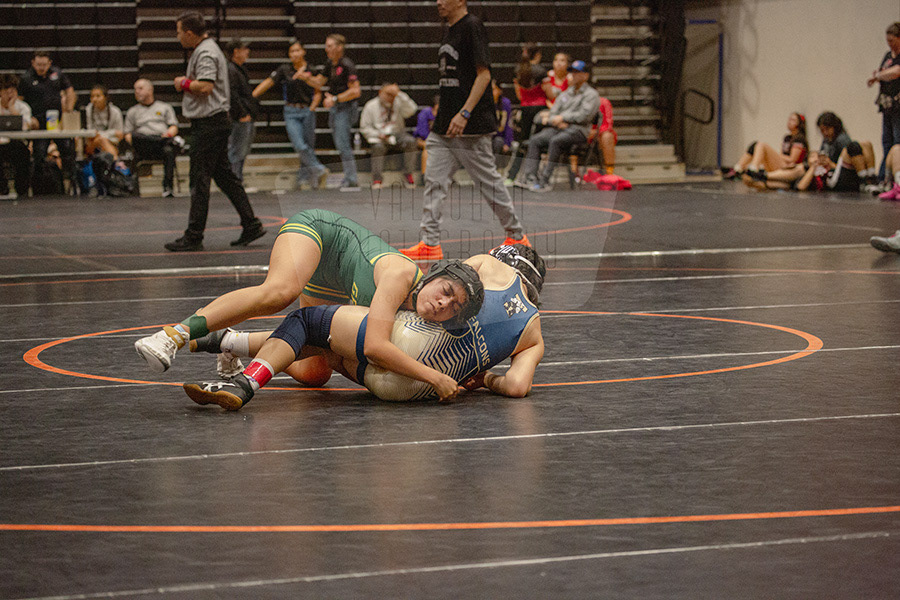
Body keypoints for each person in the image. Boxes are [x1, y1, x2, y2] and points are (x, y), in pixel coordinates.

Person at [135, 209, 481, 396]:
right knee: (280, 292)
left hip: (330, 282)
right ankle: (172, 335)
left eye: (454, 307)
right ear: (432, 276)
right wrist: (434, 378)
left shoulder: (419, 315)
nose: (443, 304)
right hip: (319, 234)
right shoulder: (400, 275)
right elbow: (374, 347)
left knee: (314, 372)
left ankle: (227, 341)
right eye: (445, 291)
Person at [182, 243, 544, 409]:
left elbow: (444, 282)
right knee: (328, 348)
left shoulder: (490, 264)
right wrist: (487, 378)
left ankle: (244, 383)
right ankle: (225, 340)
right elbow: (516, 387)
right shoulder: (533, 331)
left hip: (408, 344)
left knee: (308, 321)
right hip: (408, 393)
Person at [399, 0, 528, 261]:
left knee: (488, 182)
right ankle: (430, 243)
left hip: (471, 124)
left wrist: (465, 113)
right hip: (445, 125)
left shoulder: (472, 26)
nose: (438, 1)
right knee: (434, 182)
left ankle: (516, 235)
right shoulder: (449, 29)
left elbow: (484, 75)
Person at [169, 11, 264, 252]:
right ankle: (251, 223)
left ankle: (194, 235)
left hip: (209, 124)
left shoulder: (206, 52)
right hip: (215, 122)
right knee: (224, 177)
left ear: (189, 33)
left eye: (179, 32)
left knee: (199, 178)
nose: (177, 37)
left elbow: (206, 86)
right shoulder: (207, 49)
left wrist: (183, 83)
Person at [252, 40, 328, 190]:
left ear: (303, 52)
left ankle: (305, 179)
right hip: (291, 111)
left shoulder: (311, 69)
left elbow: (318, 90)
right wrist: (252, 95)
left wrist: (312, 107)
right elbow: (269, 82)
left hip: (307, 110)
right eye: (292, 51)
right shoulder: (285, 69)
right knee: (299, 145)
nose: (295, 54)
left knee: (308, 147)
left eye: (297, 50)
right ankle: (319, 169)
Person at [517, 59, 600, 193]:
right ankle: (530, 178)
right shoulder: (565, 93)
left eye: (577, 72)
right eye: (572, 72)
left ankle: (544, 180)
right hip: (559, 128)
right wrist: (557, 120)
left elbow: (584, 116)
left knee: (556, 141)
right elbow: (553, 112)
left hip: (578, 131)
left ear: (586, 75)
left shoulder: (591, 95)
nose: (574, 75)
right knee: (536, 140)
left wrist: (563, 118)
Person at [773, 112, 876, 193]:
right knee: (857, 146)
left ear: (834, 127)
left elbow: (851, 159)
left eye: (827, 129)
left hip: (840, 174)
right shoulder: (826, 140)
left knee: (864, 144)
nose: (824, 133)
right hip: (833, 175)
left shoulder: (841, 140)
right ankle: (867, 180)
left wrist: (830, 164)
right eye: (822, 130)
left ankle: (868, 178)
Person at [20, 51, 76, 191]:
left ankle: (70, 185)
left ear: (49, 63)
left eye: (44, 65)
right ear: (33, 63)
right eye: (38, 64)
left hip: (57, 123)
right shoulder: (26, 78)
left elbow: (69, 90)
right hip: (38, 125)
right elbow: (20, 100)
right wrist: (28, 119)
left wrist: (69, 110)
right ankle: (39, 188)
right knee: (39, 155)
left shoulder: (57, 73)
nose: (41, 68)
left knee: (68, 151)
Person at [317, 34, 362, 192]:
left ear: (339, 47)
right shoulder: (329, 64)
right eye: (326, 46)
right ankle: (349, 177)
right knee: (340, 144)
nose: (326, 49)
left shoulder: (347, 65)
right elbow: (318, 82)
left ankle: (351, 179)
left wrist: (335, 99)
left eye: (330, 46)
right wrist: (303, 77)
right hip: (336, 108)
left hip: (346, 108)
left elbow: (356, 91)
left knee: (343, 144)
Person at [121, 79, 180, 197]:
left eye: (140, 88)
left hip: (160, 144)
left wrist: (168, 134)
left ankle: (168, 187)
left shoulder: (164, 107)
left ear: (150, 90)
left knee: (169, 150)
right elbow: (127, 134)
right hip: (142, 146)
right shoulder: (133, 111)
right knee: (137, 137)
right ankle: (133, 189)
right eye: (135, 89)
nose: (137, 92)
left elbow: (173, 126)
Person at [504, 42, 550, 185]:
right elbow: (549, 93)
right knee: (537, 143)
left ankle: (511, 176)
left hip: (525, 109)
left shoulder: (519, 70)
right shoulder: (541, 71)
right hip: (540, 110)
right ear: (538, 55)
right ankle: (533, 176)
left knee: (523, 143)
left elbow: (519, 95)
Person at [359, 81, 418, 189]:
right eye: (388, 94)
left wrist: (400, 94)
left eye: (392, 95)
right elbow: (364, 127)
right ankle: (377, 179)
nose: (390, 98)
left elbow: (412, 109)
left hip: (397, 134)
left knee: (411, 141)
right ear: (380, 92)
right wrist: (378, 134)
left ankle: (408, 174)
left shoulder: (399, 102)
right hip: (379, 137)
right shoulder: (371, 106)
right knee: (378, 147)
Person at [726, 112, 808, 181]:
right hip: (782, 164)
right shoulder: (787, 138)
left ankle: (753, 169)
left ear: (799, 123)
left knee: (762, 145)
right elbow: (783, 155)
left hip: (790, 169)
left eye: (793, 120)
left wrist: (776, 155)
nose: (789, 122)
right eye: (789, 119)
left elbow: (792, 160)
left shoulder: (799, 139)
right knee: (755, 145)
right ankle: (738, 169)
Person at [868, 22, 900, 183]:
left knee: (897, 142)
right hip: (887, 105)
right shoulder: (888, 56)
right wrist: (878, 76)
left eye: (892, 40)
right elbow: (883, 72)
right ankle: (884, 178)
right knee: (887, 141)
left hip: (898, 106)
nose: (889, 44)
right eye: (888, 41)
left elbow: (896, 72)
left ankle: (895, 176)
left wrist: (880, 75)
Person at [225, 38, 259, 184]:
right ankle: (235, 181)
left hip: (245, 115)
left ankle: (237, 179)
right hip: (239, 117)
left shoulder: (240, 69)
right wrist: (241, 114)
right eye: (244, 49)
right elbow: (232, 94)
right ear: (236, 52)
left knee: (241, 151)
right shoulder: (231, 70)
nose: (247, 52)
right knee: (237, 151)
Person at [0, 74, 34, 199]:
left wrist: (12, 109)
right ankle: (2, 189)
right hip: (1, 144)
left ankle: (22, 190)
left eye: (12, 92)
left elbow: (26, 126)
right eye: (6, 92)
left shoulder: (23, 107)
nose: (10, 95)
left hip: (17, 144)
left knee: (22, 153)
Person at [84, 84, 124, 159]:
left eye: (98, 96)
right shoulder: (88, 110)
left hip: (111, 142)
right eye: (92, 96)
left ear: (105, 97)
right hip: (92, 144)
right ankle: (116, 162)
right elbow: (89, 133)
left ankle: (114, 160)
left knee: (102, 140)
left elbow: (120, 134)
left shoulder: (115, 111)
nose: (94, 99)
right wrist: (112, 133)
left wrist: (101, 136)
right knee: (100, 140)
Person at [414, 94, 439, 178]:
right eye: (437, 109)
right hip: (423, 139)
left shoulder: (444, 115)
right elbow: (422, 133)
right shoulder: (425, 113)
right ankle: (424, 175)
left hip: (439, 140)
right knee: (428, 148)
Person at [491, 80, 513, 171]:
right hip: (487, 137)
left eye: (493, 89)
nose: (491, 92)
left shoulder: (505, 103)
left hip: (499, 137)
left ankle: (494, 170)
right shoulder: (485, 104)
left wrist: (507, 142)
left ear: (499, 90)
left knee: (498, 142)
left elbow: (508, 125)